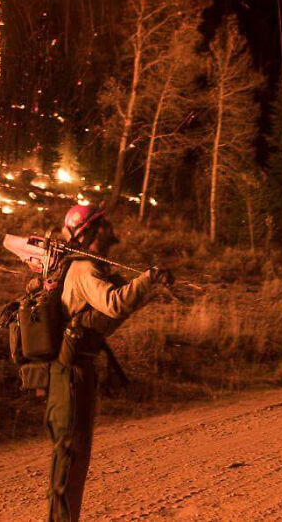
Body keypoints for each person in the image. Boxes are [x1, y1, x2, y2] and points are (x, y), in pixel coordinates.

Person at [45, 202, 173, 522]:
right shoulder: (83, 270)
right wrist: (148, 280)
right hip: (70, 372)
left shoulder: (86, 267)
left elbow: (105, 317)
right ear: (90, 231)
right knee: (71, 455)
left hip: (76, 369)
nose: (111, 229)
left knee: (75, 455)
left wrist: (145, 287)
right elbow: (114, 305)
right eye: (104, 225)